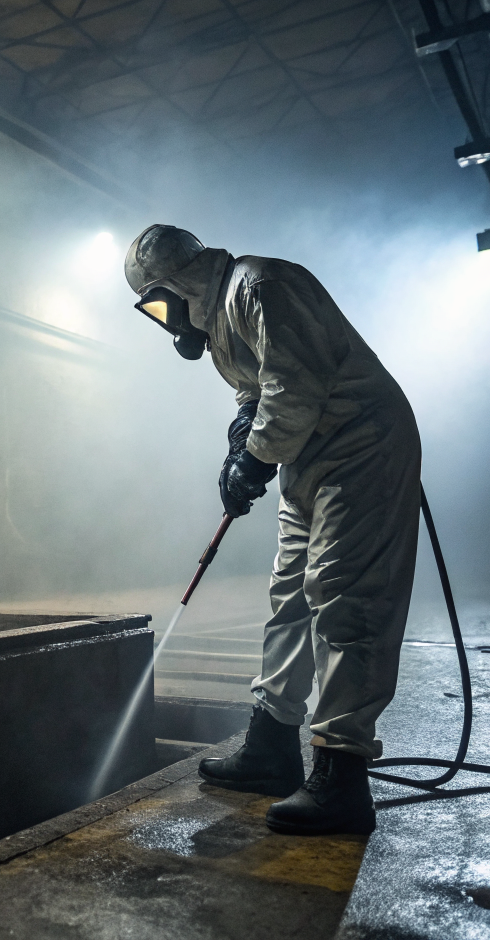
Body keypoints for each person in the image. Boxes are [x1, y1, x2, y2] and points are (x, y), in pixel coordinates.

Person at [124, 224, 421, 835]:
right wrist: (241, 440)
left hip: (361, 446)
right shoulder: (222, 323)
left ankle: (341, 774)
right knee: (289, 597)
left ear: (176, 283)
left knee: (344, 602)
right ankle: (273, 745)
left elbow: (292, 391)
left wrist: (254, 459)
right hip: (308, 455)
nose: (163, 321)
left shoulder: (260, 286)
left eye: (157, 303)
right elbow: (253, 395)